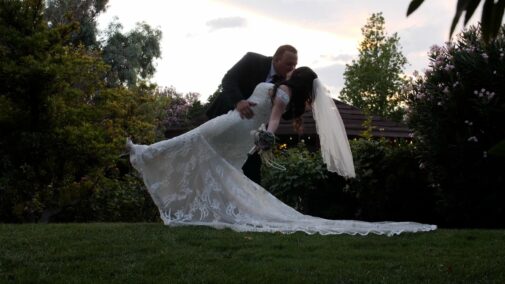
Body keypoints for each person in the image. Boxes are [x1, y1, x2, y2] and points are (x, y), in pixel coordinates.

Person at [127, 66, 436, 235]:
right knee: (198, 149)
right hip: (234, 123)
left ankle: (143, 153)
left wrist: (265, 138)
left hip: (235, 127)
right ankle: (168, 179)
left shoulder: (284, 94)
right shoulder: (280, 87)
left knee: (193, 142)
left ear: (297, 79)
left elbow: (273, 120)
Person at [206, 45, 298, 184]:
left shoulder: (285, 84)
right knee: (212, 164)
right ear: (276, 59)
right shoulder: (253, 60)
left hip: (252, 132)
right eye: (289, 64)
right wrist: (238, 101)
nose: (292, 68)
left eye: (295, 65)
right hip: (225, 118)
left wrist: (302, 103)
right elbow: (229, 79)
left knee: (252, 176)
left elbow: (283, 114)